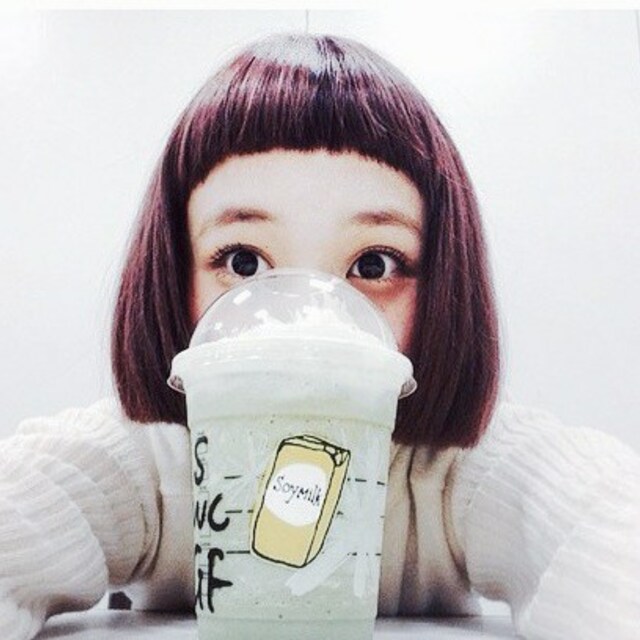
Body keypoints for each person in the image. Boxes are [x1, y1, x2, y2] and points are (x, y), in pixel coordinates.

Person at [1, 32, 638, 640]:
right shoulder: (146, 464)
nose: (307, 322)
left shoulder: (462, 471)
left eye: (374, 265)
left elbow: (602, 528)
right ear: (174, 279)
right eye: (244, 262)